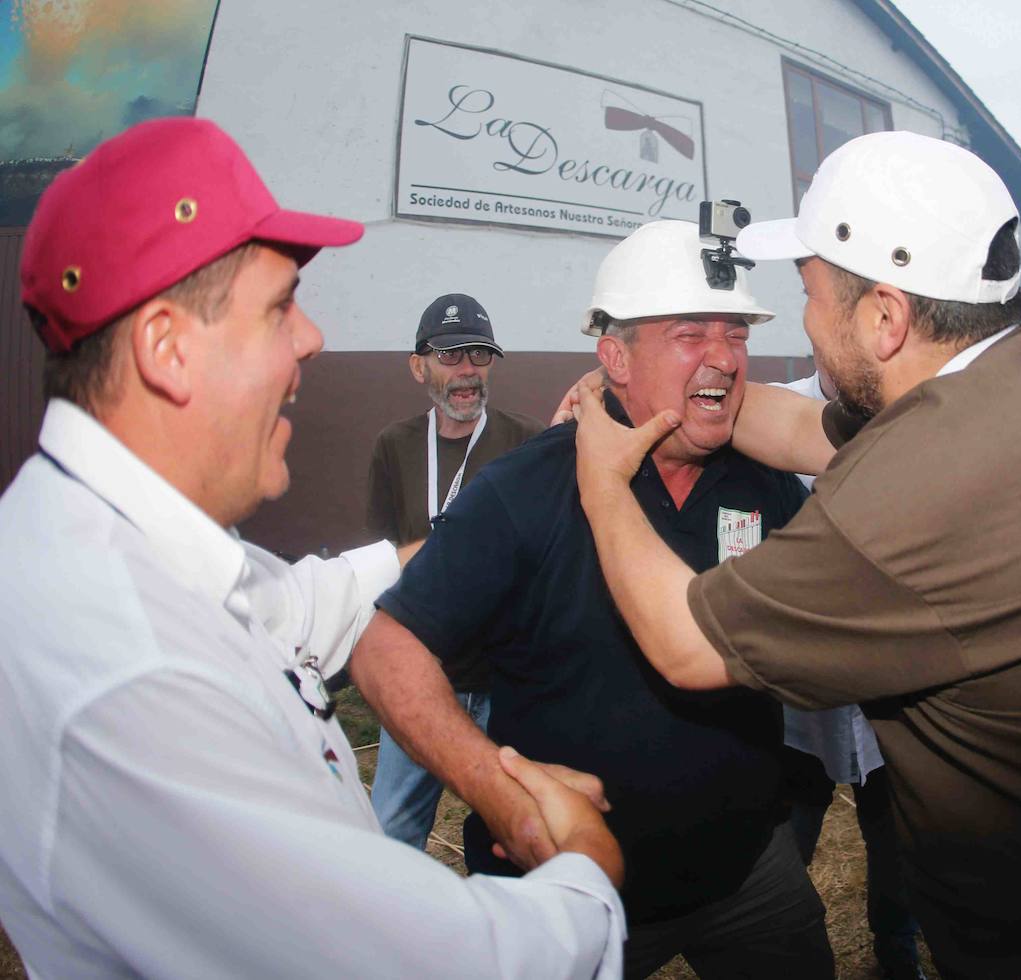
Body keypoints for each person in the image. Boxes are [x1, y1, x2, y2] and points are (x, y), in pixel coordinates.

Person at [567, 131, 1021, 980]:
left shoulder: (917, 494)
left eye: (811, 293)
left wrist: (603, 476)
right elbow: (799, 427)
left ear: (886, 317)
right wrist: (667, 391)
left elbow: (685, 644)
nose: (805, 320)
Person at [0, 116, 625, 979]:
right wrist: (587, 869)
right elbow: (429, 961)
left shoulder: (117, 539)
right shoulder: (128, 670)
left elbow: (308, 601)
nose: (313, 339)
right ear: (167, 350)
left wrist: (490, 518)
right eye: (280, 308)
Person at [348, 220, 835, 980]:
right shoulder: (524, 490)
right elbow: (384, 647)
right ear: (615, 357)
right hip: (566, 896)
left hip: (748, 874)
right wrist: (494, 788)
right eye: (690, 332)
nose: (724, 356)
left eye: (735, 332)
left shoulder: (761, 481)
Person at [366, 292, 543, 850]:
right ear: (418, 367)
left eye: (479, 355)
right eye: (449, 356)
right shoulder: (394, 446)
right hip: (423, 676)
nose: (466, 370)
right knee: (389, 830)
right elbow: (381, 555)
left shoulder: (528, 442)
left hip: (507, 680)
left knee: (521, 829)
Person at [772, 367, 925, 980]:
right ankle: (778, 953)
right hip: (799, 696)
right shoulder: (776, 415)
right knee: (784, 849)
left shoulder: (916, 411)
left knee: (897, 847)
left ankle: (897, 954)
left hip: (890, 695)